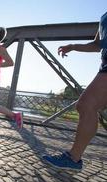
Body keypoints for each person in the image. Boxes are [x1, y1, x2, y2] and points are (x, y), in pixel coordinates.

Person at [43, 11, 107, 171]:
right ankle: (74, 158)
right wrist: (72, 47)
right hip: (105, 64)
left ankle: (74, 158)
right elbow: (97, 45)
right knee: (86, 105)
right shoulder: (104, 17)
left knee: (86, 105)